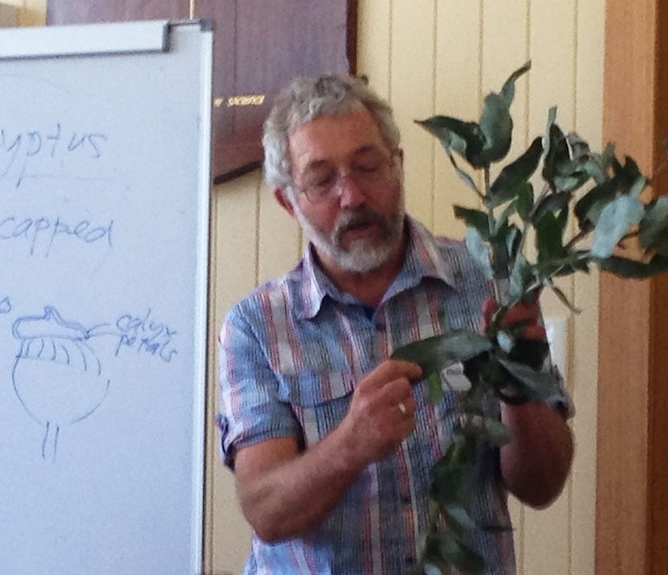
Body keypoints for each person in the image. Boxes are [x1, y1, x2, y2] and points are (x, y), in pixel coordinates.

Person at [215, 74, 574, 574]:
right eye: (322, 180)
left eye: (368, 166)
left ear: (398, 166)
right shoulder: (256, 327)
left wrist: (519, 388)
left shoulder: (490, 284)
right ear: (287, 201)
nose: (353, 195)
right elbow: (266, 510)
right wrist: (350, 445)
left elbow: (544, 485)